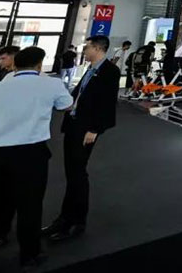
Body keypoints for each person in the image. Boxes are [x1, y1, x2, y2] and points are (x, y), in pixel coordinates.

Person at [0, 47, 74, 272]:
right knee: (30, 207)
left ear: (15, 65)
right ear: (40, 65)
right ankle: (30, 255)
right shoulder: (51, 84)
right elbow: (67, 105)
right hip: (31, 155)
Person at [44, 35, 120, 241]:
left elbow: (107, 103)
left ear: (98, 48)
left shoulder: (109, 71)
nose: (84, 51)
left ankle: (75, 221)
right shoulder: (91, 69)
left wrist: (95, 129)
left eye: (87, 47)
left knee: (77, 173)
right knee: (72, 173)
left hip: (86, 129)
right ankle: (64, 219)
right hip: (74, 125)